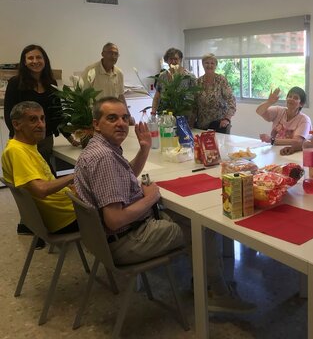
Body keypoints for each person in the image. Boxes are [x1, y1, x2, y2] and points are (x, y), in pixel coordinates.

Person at [74, 97, 254, 312]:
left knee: (187, 218)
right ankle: (218, 293)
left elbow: (125, 175)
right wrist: (151, 197)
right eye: (112, 118)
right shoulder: (105, 158)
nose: (121, 123)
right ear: (96, 124)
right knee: (203, 227)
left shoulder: (98, 148)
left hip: (107, 239)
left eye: (124, 118)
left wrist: (144, 148)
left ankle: (202, 282)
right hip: (127, 240)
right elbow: (114, 220)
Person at [3, 44, 78, 236]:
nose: (35, 61)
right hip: (25, 141)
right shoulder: (16, 83)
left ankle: (39, 222)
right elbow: (10, 115)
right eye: (30, 58)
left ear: (45, 61)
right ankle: (32, 224)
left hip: (44, 140)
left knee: (46, 176)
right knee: (32, 184)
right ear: (24, 61)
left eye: (39, 57)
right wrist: (23, 139)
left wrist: (70, 137)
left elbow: (57, 115)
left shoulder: (50, 83)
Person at [2, 101, 79, 249]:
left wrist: (70, 188)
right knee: (117, 207)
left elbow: (43, 182)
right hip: (66, 218)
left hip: (65, 211)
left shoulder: (26, 146)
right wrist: (74, 175)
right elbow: (41, 189)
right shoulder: (17, 151)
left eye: (42, 118)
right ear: (16, 124)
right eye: (33, 119)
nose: (41, 125)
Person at [81, 43, 134, 124]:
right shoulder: (91, 70)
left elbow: (120, 96)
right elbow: (84, 95)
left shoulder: (119, 73)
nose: (113, 56)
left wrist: (128, 116)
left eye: (116, 54)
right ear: (103, 54)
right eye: (110, 53)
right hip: (96, 116)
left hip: (113, 116)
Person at [256, 87, 312, 152]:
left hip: (292, 153)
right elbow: (259, 111)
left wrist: (272, 140)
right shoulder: (278, 111)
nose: (291, 99)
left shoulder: (304, 120)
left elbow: (297, 141)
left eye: (295, 98)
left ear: (301, 104)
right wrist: (269, 102)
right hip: (275, 151)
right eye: (289, 96)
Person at [151, 47, 197, 125]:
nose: (173, 61)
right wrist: (153, 112)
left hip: (184, 115)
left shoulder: (189, 76)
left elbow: (196, 98)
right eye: (170, 59)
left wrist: (193, 117)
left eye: (176, 59)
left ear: (180, 60)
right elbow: (157, 97)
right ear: (167, 60)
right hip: (166, 115)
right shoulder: (162, 76)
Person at [195, 53, 236, 134]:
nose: (209, 65)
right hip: (201, 125)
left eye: (212, 63)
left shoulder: (221, 80)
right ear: (203, 64)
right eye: (207, 63)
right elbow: (194, 104)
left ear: (216, 65)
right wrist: (191, 121)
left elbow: (231, 101)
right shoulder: (198, 81)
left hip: (219, 124)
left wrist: (227, 119)